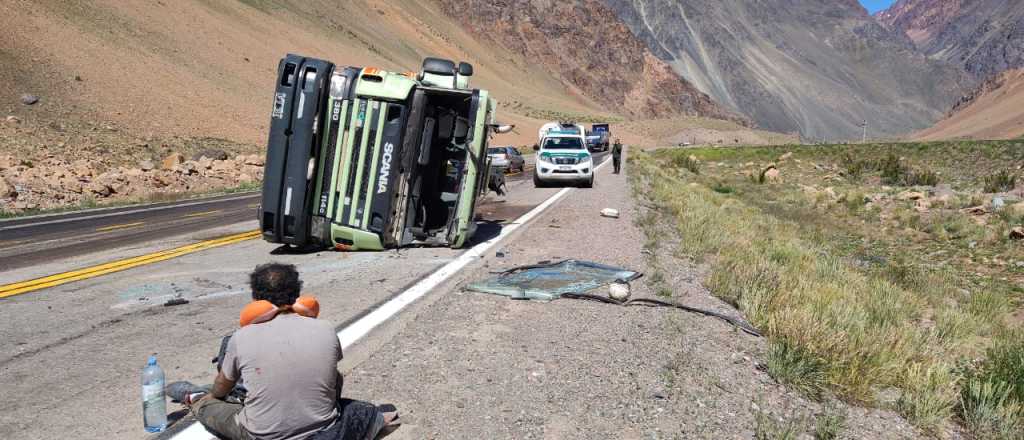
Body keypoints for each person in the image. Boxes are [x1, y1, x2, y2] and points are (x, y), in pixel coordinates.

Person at [166, 263, 399, 440]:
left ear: (256, 299)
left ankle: (193, 398)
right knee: (356, 405)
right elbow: (333, 380)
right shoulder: (326, 328)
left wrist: (214, 396)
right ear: (297, 294)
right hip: (323, 428)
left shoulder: (241, 338)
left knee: (210, 404)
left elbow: (220, 389)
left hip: (261, 434)